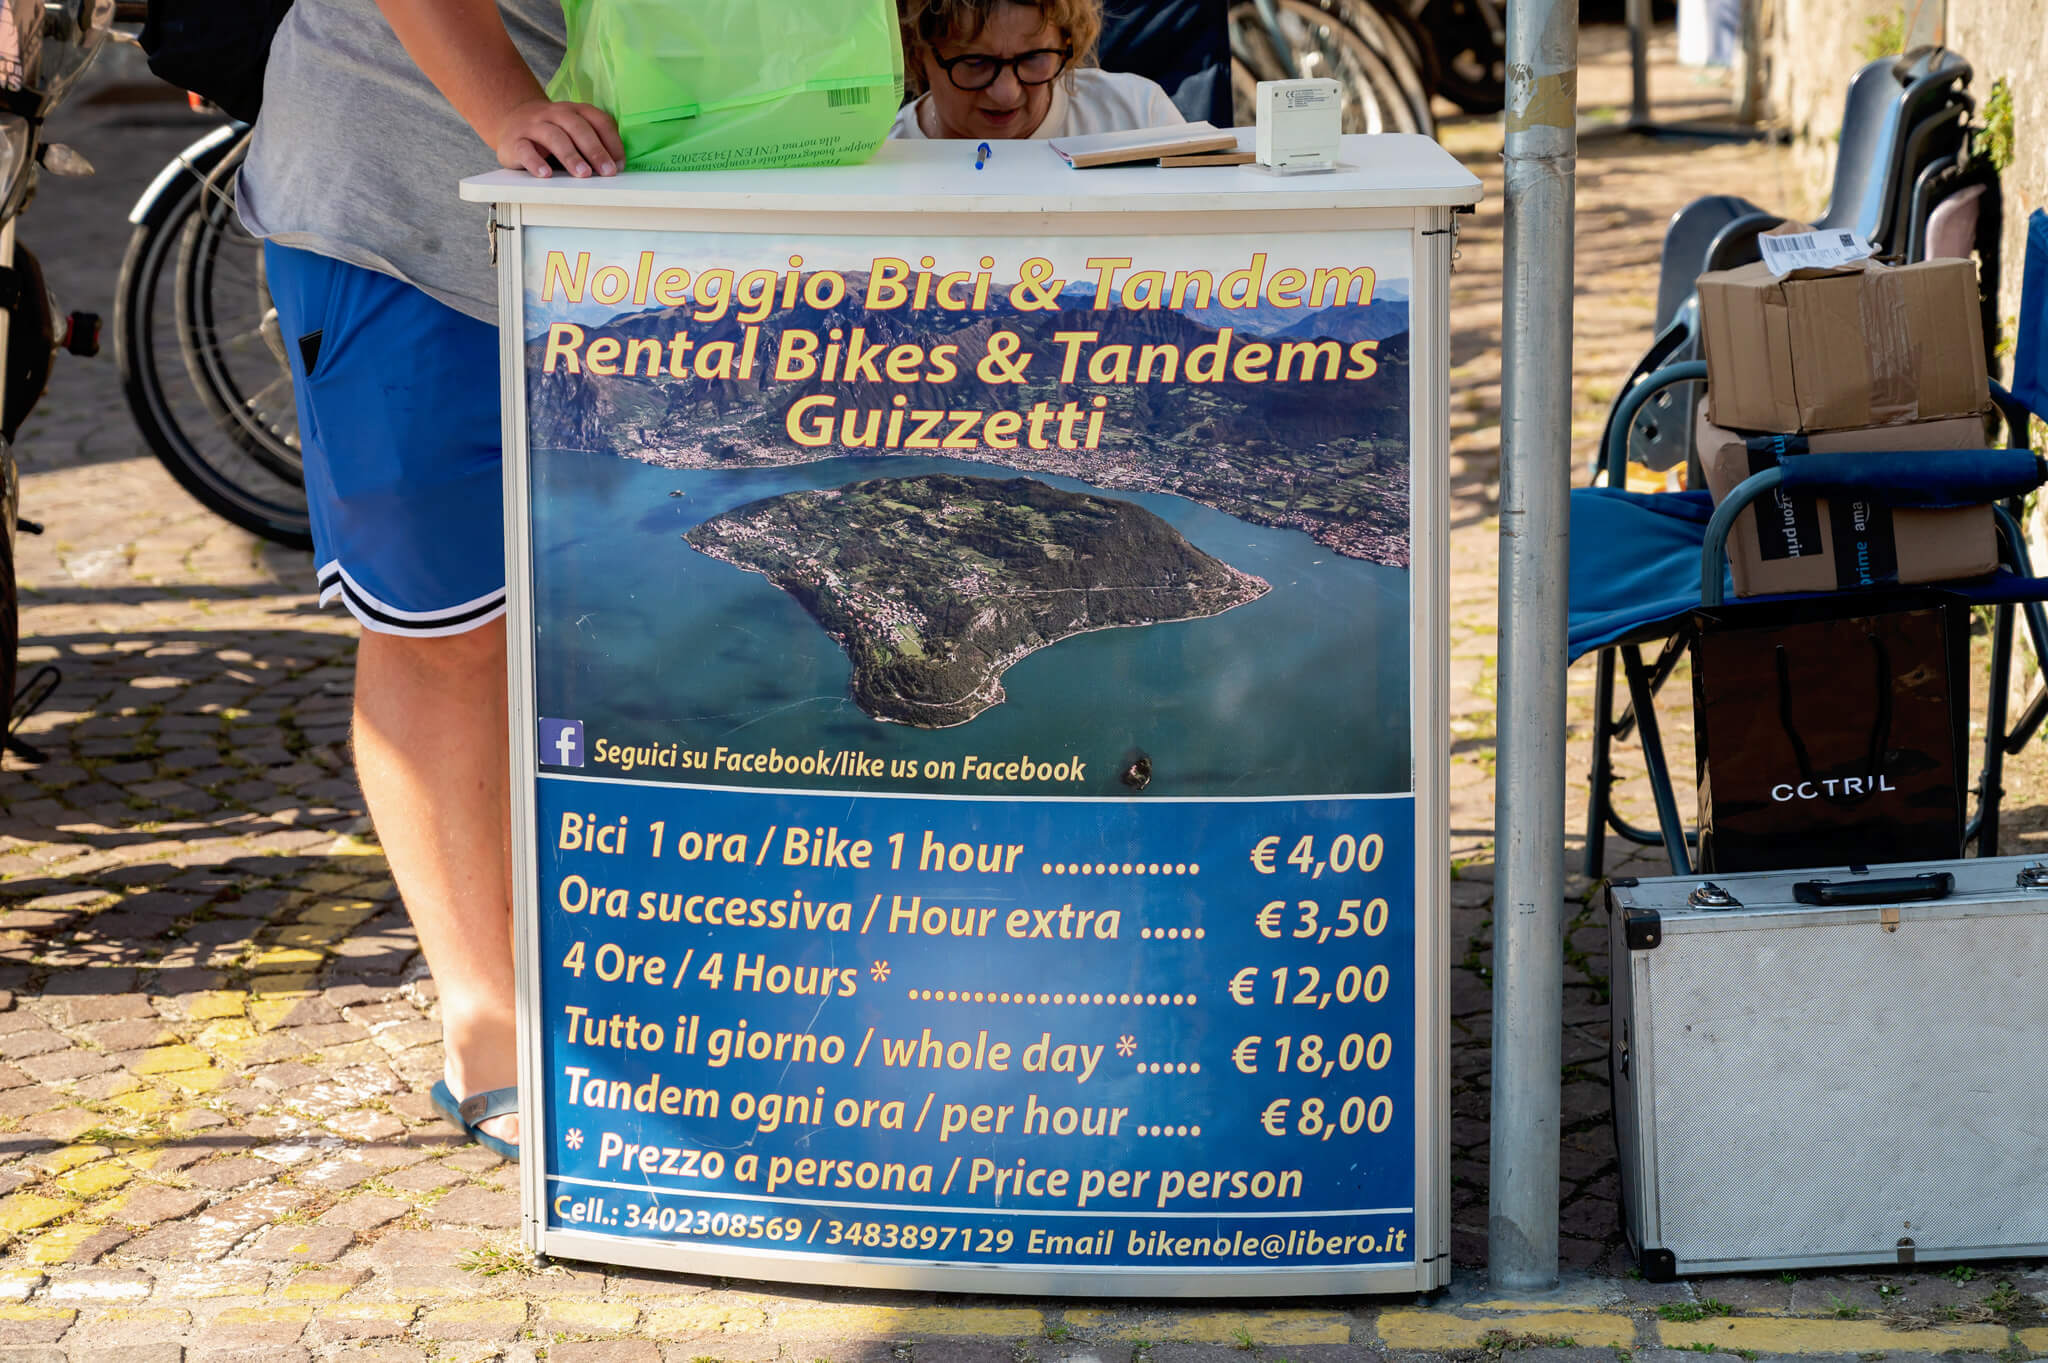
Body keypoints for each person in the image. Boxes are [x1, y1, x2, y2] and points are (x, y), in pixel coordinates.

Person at [237, 0, 626, 1158]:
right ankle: (488, 1029)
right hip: (407, 207)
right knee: (446, 629)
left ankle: (619, 992)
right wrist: (507, 109)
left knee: (633, 608)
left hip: (638, 213)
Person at [892, 0, 1186, 141]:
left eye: (1034, 58)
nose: (1006, 94)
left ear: (1068, 42)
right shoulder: (885, 158)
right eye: (975, 63)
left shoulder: (1140, 118)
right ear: (917, 53)